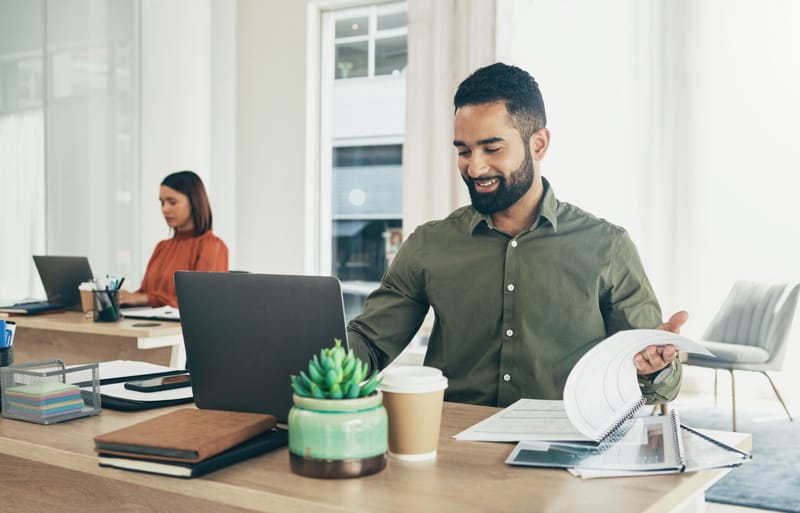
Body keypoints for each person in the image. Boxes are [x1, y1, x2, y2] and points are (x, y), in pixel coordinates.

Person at [347, 62, 687, 407]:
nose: (475, 167)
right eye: (463, 151)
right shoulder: (429, 245)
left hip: (563, 447)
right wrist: (311, 353)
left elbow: (661, 386)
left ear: (538, 144)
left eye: (492, 149)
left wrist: (653, 368)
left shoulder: (607, 247)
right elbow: (370, 343)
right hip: (453, 448)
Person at [119, 170, 228, 308]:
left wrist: (146, 299)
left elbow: (201, 302)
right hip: (151, 326)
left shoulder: (212, 246)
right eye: (162, 203)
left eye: (172, 202)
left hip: (181, 329)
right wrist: (122, 299)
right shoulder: (162, 247)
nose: (165, 209)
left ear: (194, 202)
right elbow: (145, 294)